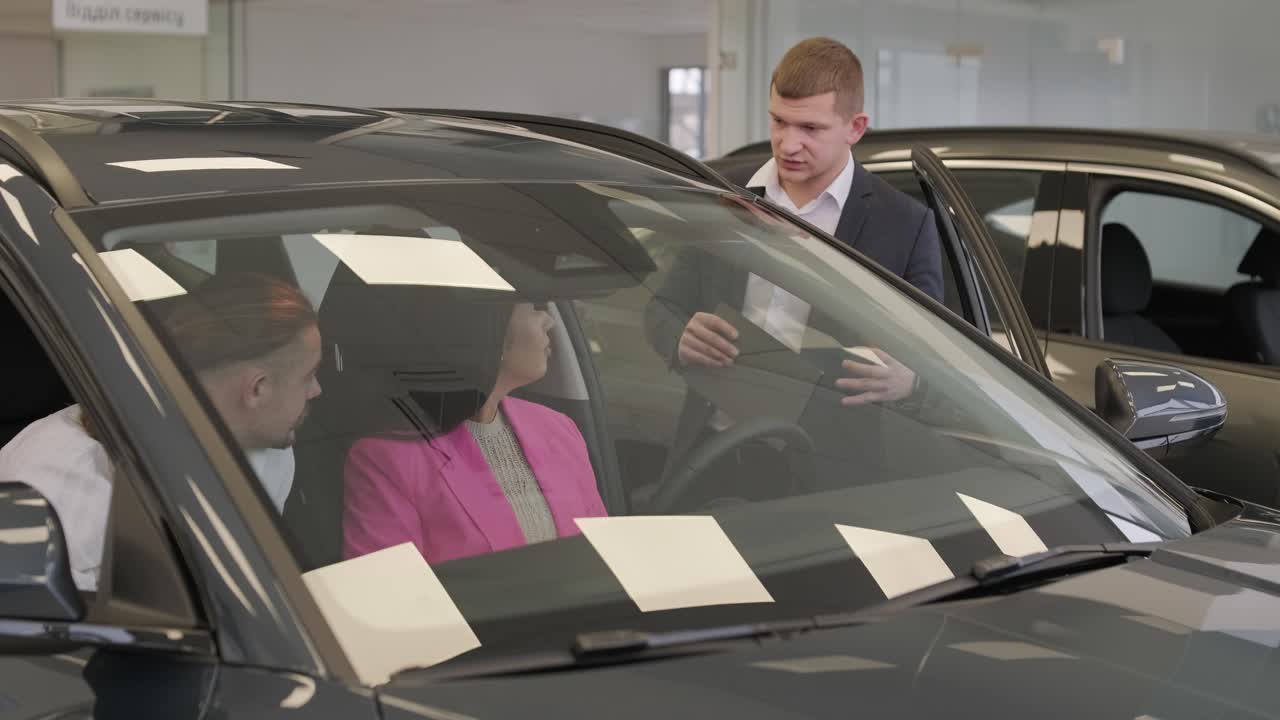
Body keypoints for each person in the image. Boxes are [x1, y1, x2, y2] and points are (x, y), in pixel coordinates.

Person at [0, 272, 322, 591]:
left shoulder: (270, 456)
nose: (316, 390)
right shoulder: (51, 487)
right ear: (257, 388)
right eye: (309, 376)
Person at [342, 300, 607, 565]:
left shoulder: (559, 427)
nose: (549, 320)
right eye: (531, 307)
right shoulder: (387, 459)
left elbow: (604, 556)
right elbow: (389, 590)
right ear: (491, 335)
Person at [727, 36, 944, 301]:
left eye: (810, 128)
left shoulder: (906, 226)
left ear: (855, 128)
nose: (788, 145)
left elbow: (920, 339)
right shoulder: (722, 192)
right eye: (779, 121)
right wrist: (684, 332)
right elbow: (669, 305)